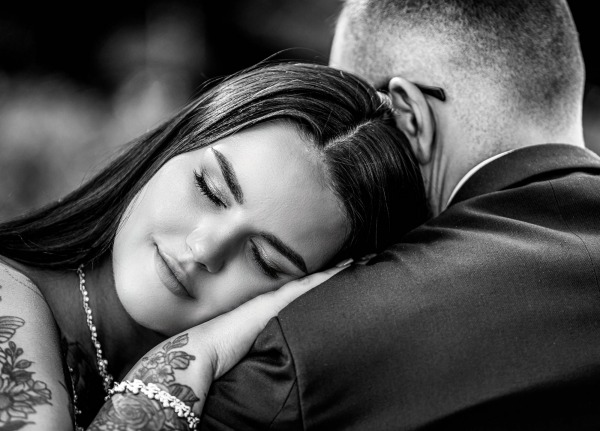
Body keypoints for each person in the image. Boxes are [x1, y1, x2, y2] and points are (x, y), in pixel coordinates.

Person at [199, 1, 600, 430]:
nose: (349, 154)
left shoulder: (318, 342)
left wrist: (204, 349)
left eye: (365, 125)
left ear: (409, 116)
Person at [0, 62, 429, 429]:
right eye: (209, 189)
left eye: (264, 260)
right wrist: (197, 355)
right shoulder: (8, 294)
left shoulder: (250, 397)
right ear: (177, 143)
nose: (205, 249)